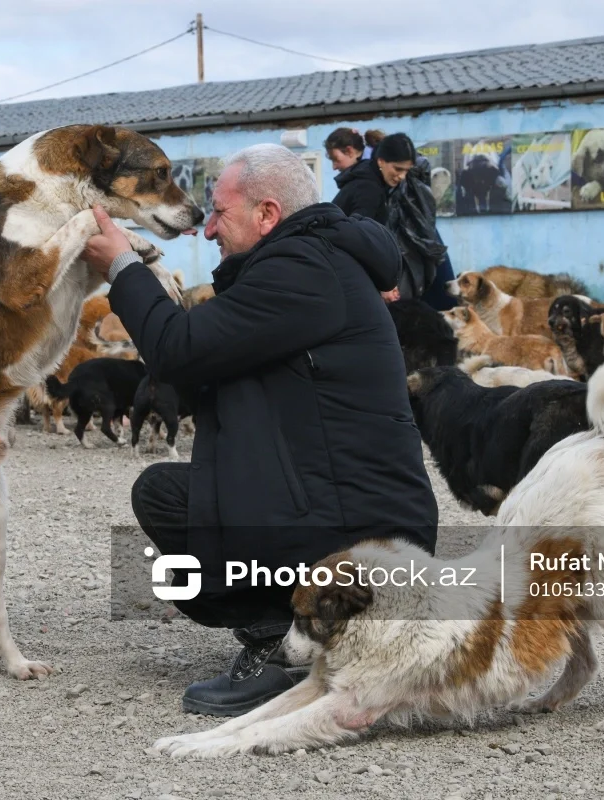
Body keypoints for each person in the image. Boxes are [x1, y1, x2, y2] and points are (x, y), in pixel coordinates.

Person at [80, 143, 438, 717]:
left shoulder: (303, 269)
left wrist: (122, 266)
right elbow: (204, 372)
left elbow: (179, 351)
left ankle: (293, 647)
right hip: (350, 506)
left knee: (193, 519)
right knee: (167, 494)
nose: (208, 229)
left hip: (362, 535)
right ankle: (288, 623)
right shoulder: (305, 264)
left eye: (220, 213)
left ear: (268, 214)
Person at [330, 132, 457, 311]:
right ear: (381, 161)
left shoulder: (382, 184)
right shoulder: (369, 189)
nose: (401, 177)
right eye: (398, 169)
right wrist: (384, 283)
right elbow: (362, 239)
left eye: (406, 171)